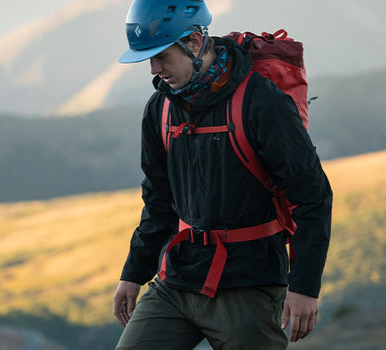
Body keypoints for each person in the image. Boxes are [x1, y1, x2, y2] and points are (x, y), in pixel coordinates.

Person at [111, 0, 333, 349]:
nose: (154, 69)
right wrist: (133, 274)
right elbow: (159, 200)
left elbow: (313, 196)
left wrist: (304, 287)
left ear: (195, 43)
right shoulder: (161, 108)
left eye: (162, 56)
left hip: (250, 283)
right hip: (179, 279)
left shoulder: (263, 103)